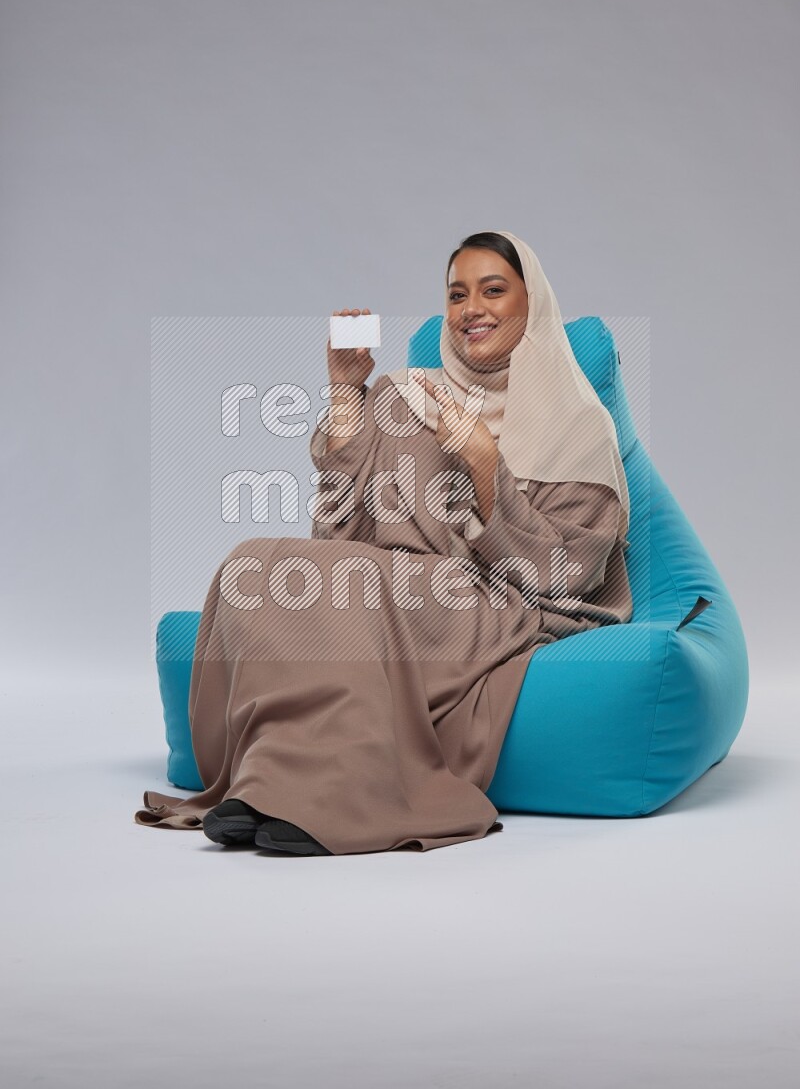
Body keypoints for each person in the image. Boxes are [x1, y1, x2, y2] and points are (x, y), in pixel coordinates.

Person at [134, 230, 633, 856]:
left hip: (498, 599)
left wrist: (485, 465)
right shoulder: (406, 396)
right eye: (457, 294)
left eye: (493, 290)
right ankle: (266, 784)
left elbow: (566, 576)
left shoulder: (577, 422)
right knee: (254, 563)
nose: (471, 308)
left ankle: (331, 802)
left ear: (532, 304)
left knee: (359, 584)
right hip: (395, 587)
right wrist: (346, 392)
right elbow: (335, 536)